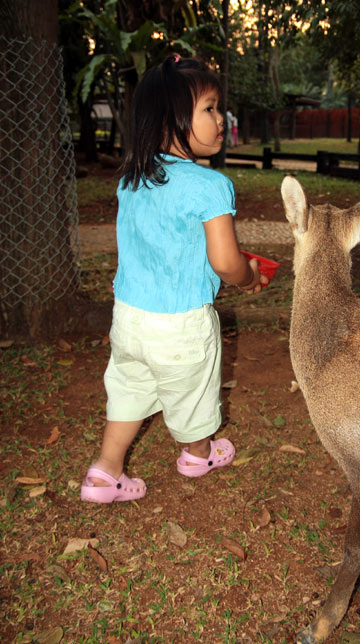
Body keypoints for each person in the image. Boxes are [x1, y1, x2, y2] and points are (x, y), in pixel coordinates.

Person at [81, 55, 268, 503]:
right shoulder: (209, 186)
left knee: (129, 389)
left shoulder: (131, 181)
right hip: (181, 322)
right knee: (194, 391)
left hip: (129, 318)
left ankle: (105, 473)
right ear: (171, 120)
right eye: (209, 108)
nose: (220, 119)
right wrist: (250, 276)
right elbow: (226, 263)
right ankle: (198, 454)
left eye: (218, 107)